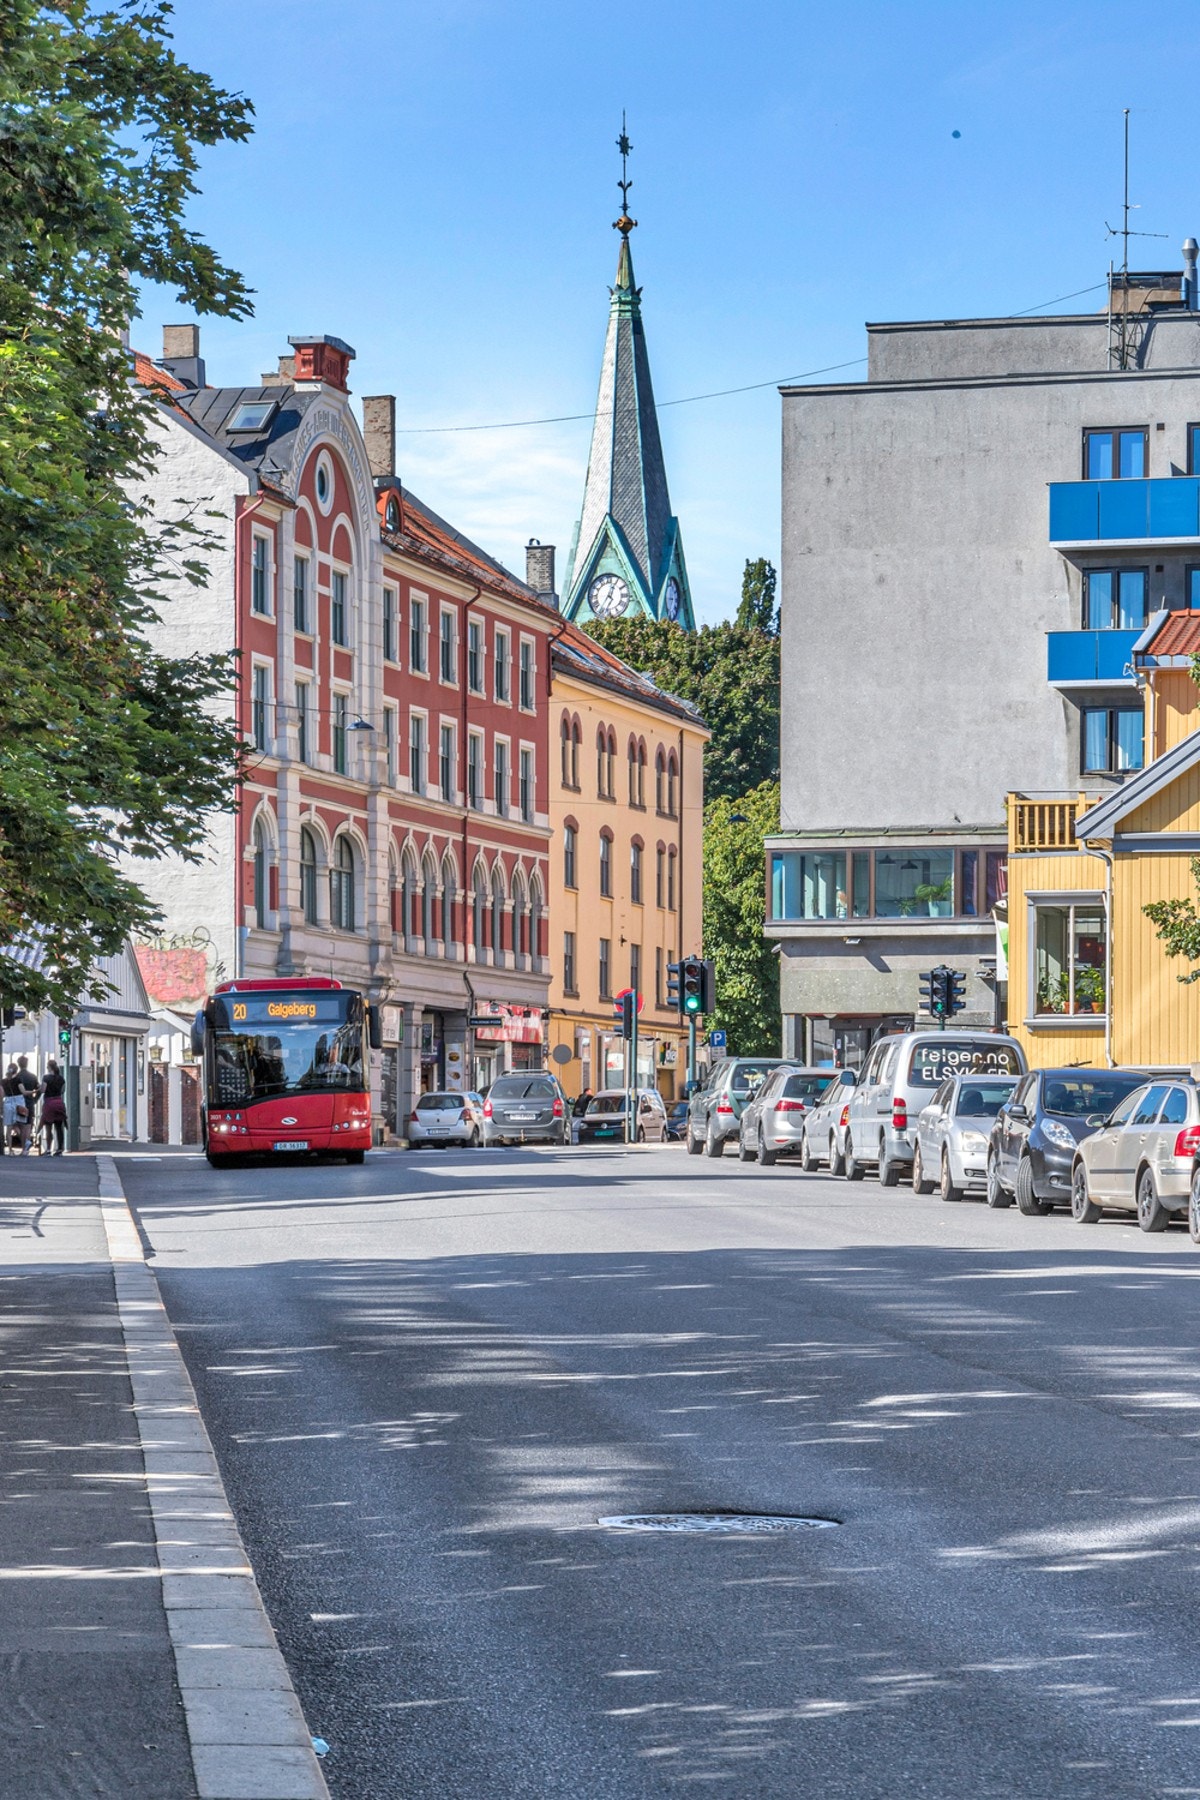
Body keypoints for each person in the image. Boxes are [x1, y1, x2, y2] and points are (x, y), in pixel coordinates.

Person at [39, 1059, 67, 1156]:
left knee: (48, 1127)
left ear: (49, 1067)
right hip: (59, 1102)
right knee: (59, 1127)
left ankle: (48, 1149)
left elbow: (43, 1090)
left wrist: (39, 1087)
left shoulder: (46, 1078)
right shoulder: (61, 1078)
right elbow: (63, 1090)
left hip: (49, 1103)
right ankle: (60, 1149)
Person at [15, 1056, 38, 1156]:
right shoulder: (32, 1076)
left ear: (18, 1064)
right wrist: (35, 1099)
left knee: (18, 1125)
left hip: (20, 1104)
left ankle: (24, 1146)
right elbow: (40, 1089)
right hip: (30, 1103)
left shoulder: (17, 1077)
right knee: (28, 1126)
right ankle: (26, 1148)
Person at [2, 1064, 28, 1153]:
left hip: (8, 1103)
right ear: (16, 1071)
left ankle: (10, 1150)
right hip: (19, 1102)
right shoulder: (18, 1080)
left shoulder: (3, 1082)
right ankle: (24, 1147)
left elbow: (2, 1094)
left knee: (9, 1127)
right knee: (21, 1125)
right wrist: (34, 1091)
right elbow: (23, 1091)